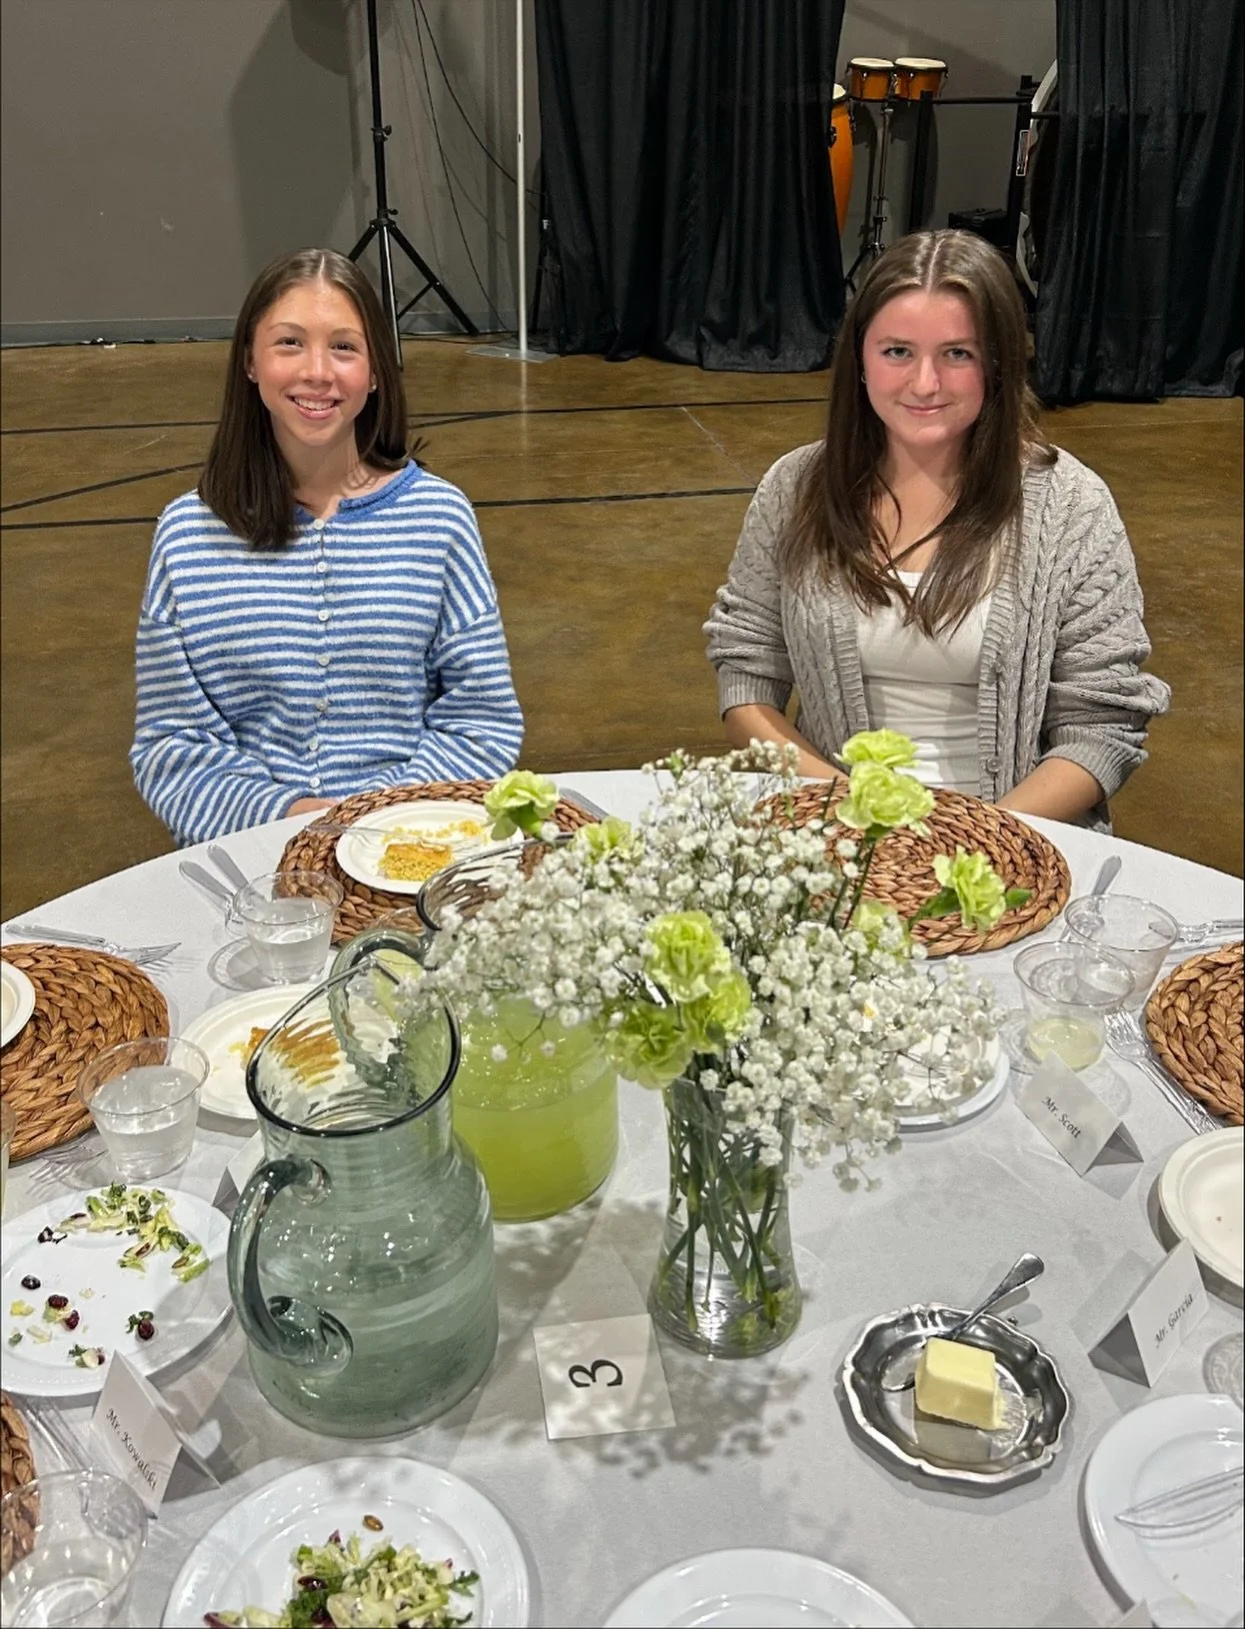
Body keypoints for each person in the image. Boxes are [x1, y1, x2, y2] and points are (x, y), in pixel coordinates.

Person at [705, 229, 1170, 828]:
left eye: (957, 354)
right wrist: (852, 812)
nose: (925, 383)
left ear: (998, 363)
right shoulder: (794, 489)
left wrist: (974, 837)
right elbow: (746, 675)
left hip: (1010, 837)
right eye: (897, 351)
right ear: (859, 360)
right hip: (837, 832)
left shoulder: (1073, 509)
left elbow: (1101, 729)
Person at [131, 248, 523, 847]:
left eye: (344, 347)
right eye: (289, 343)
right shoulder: (187, 535)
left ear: (375, 371)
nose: (318, 371)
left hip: (409, 845)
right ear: (250, 361)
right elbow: (169, 744)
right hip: (250, 854)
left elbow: (481, 721)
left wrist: (375, 818)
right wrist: (290, 817)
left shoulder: (439, 519)